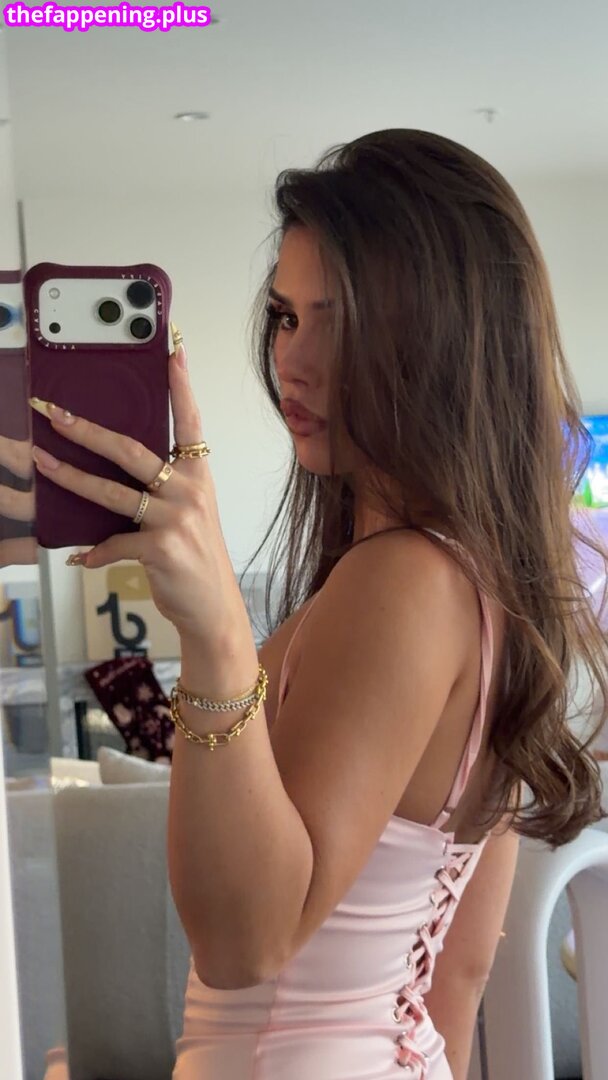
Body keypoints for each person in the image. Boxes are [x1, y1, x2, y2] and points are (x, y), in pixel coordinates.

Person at [33, 129, 608, 1080]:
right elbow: (457, 977)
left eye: (335, 321)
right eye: (284, 316)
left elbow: (245, 946)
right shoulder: (485, 588)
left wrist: (216, 634)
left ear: (441, 337)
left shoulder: (402, 581)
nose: (291, 362)